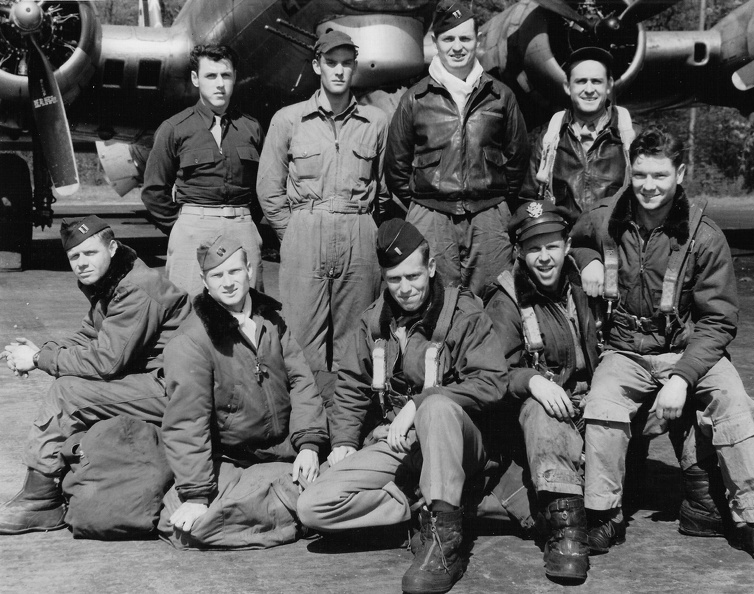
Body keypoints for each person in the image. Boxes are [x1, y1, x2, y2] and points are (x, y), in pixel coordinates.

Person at [570, 127, 754, 560]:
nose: (648, 186)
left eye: (660, 175)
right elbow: (570, 239)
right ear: (629, 174)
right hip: (624, 350)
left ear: (680, 172)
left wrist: (681, 376)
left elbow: (719, 320)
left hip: (687, 346)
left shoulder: (705, 235)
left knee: (734, 402)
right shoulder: (606, 217)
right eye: (639, 175)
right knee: (603, 405)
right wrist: (585, 260)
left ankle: (753, 519)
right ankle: (603, 515)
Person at [297, 219, 508, 594]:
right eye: (394, 280)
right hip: (401, 447)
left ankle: (445, 542)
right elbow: (352, 385)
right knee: (313, 506)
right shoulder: (373, 322)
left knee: (437, 409)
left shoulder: (464, 316)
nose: (405, 289)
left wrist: (420, 402)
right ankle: (415, 513)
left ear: (430, 268)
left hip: (459, 444)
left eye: (413, 276)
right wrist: (344, 439)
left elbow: (492, 383)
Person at [0, 215, 189, 534]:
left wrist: (37, 358)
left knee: (68, 394)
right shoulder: (114, 277)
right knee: (68, 383)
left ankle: (41, 502)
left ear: (112, 248)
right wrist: (41, 350)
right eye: (75, 256)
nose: (82, 263)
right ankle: (43, 490)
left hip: (179, 387)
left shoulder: (138, 286)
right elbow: (91, 335)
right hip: (158, 379)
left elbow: (107, 360)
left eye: (90, 253)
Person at [158, 234, 328, 549]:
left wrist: (309, 445)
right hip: (233, 456)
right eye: (217, 275)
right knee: (180, 524)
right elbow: (187, 422)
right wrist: (196, 495)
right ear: (203, 281)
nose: (228, 282)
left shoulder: (271, 318)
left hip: (285, 446)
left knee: (204, 525)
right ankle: (306, 509)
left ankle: (299, 500)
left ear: (249, 270)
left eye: (234, 271)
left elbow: (301, 381)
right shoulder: (191, 342)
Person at [257, 31, 389, 401]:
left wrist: (363, 227)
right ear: (317, 66)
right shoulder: (288, 120)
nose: (339, 70)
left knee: (356, 334)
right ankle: (308, 428)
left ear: (355, 68)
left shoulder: (376, 122)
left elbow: (385, 189)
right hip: (305, 229)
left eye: (347, 63)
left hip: (358, 229)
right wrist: (295, 231)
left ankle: (350, 427)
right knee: (301, 335)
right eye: (331, 62)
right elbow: (269, 188)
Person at [385, 0, 529, 298]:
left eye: (465, 38)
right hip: (432, 214)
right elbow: (396, 167)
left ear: (477, 40)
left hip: (488, 215)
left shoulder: (501, 96)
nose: (457, 46)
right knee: (433, 299)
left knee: (497, 298)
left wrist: (495, 200)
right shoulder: (415, 98)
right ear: (435, 41)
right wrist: (425, 202)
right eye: (448, 38)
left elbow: (517, 159)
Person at [484, 201, 596, 582]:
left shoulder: (588, 280)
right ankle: (567, 533)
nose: (544, 258)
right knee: (539, 410)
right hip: (546, 413)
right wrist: (531, 380)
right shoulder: (506, 300)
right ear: (519, 252)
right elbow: (493, 373)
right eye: (534, 248)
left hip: (596, 399)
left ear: (567, 245)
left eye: (552, 246)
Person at [142, 43, 264, 296]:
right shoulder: (174, 128)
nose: (219, 84)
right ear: (196, 79)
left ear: (235, 78)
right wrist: (182, 225)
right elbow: (154, 190)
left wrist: (246, 221)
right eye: (211, 75)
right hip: (192, 230)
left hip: (242, 226)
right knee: (188, 309)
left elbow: (262, 186)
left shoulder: (251, 128)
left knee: (248, 308)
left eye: (226, 75)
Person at [520, 47, 633, 213]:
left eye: (596, 81)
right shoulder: (550, 139)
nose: (589, 90)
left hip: (615, 237)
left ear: (609, 85)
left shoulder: (631, 136)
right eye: (581, 81)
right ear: (567, 86)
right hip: (563, 237)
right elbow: (528, 199)